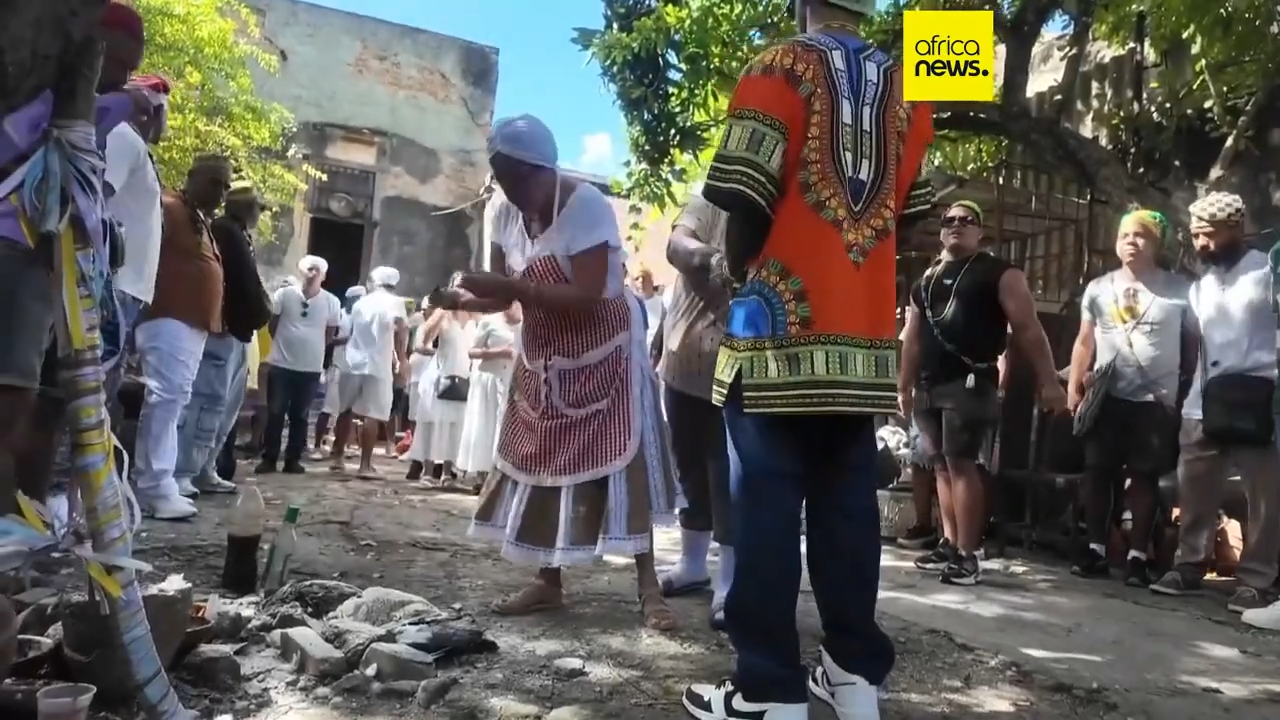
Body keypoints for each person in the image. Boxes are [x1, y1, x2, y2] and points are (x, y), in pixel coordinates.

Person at [678, 1, 940, 716]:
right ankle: (854, 676)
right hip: (861, 341)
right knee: (846, 510)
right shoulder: (912, 87)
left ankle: (768, 688)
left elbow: (743, 202)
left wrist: (739, 278)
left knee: (764, 508)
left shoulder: (779, 65)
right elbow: (912, 215)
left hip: (774, 327)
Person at [446, 114, 679, 631]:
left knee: (622, 466)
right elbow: (500, 296)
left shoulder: (586, 206)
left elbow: (587, 294)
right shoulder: (504, 212)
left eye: (520, 181)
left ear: (544, 170)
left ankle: (648, 587)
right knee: (546, 460)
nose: (513, 193)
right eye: (503, 181)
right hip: (547, 358)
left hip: (607, 355)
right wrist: (459, 299)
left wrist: (512, 289)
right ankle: (547, 581)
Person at [901, 202, 1064, 586]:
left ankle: (968, 554)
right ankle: (949, 542)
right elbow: (912, 337)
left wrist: (1049, 381)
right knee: (940, 465)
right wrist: (903, 385)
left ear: (980, 231)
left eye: (967, 220)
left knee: (962, 464)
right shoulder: (925, 280)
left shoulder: (999, 273)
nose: (957, 225)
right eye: (949, 221)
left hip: (970, 382)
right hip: (929, 384)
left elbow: (1028, 328)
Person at [1152, 192, 1280, 616]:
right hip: (1204, 402)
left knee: (1264, 495)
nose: (1201, 243)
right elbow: (1197, 345)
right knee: (1195, 489)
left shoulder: (1269, 271)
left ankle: (1257, 580)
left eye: (1209, 234)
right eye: (1195, 235)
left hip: (1259, 397)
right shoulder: (1201, 286)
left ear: (1236, 228)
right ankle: (1189, 565)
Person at [1066, 210, 1192, 586]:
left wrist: (1184, 392)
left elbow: (1192, 345)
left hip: (1156, 401)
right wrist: (1074, 385)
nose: (1131, 242)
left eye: (1141, 235)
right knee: (1097, 471)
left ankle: (1138, 556)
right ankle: (1096, 550)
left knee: (1144, 476)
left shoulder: (1180, 290)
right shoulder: (1098, 288)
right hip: (1107, 397)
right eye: (1125, 235)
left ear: (1157, 243)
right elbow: (1085, 340)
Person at [130, 155, 232, 520]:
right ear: (192, 176)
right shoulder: (168, 207)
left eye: (226, 186)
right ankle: (154, 487)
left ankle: (159, 483)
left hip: (189, 324)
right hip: (167, 317)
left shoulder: (196, 216)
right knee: (165, 399)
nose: (222, 192)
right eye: (216, 182)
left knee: (175, 400)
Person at [654, 194, 735, 631]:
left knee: (726, 475)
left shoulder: (772, 210)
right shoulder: (706, 203)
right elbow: (677, 247)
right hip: (682, 362)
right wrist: (715, 261)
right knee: (688, 467)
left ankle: (730, 580)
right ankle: (692, 564)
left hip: (736, 367)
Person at [173, 181, 271, 498]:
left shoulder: (237, 234)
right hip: (224, 331)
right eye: (256, 208)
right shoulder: (225, 231)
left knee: (225, 408)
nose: (259, 214)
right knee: (207, 403)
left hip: (239, 332)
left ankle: (206, 467)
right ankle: (185, 470)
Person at [256, 256, 342, 474]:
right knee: (275, 412)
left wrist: (313, 349)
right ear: (301, 272)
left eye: (317, 270)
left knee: (300, 415)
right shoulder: (284, 295)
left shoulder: (331, 301)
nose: (313, 274)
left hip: (310, 367)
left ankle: (292, 459)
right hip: (281, 363)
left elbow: (330, 332)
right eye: (309, 269)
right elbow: (273, 325)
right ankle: (269, 458)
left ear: (324, 276)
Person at [330, 267, 409, 478]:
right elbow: (401, 328)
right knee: (372, 414)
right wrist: (402, 358)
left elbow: (352, 331)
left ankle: (338, 457)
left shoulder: (361, 302)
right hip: (378, 363)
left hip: (353, 360)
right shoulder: (395, 302)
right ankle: (365, 465)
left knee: (345, 409)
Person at [405, 287, 475, 484]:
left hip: (462, 375)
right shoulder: (442, 314)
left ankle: (447, 472)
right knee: (434, 423)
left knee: (455, 425)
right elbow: (423, 342)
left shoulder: (472, 317)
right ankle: (427, 471)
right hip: (441, 375)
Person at [455, 304, 522, 481]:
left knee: (506, 427)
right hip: (490, 379)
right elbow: (472, 351)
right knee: (485, 426)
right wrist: (499, 352)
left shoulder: (526, 323)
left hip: (514, 380)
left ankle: (501, 473)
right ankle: (481, 473)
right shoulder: (489, 322)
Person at [313, 285, 366, 458]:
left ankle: (339, 446)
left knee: (347, 410)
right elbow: (327, 339)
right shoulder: (340, 316)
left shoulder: (362, 318)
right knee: (328, 408)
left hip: (353, 368)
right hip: (337, 366)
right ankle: (317, 446)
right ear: (351, 300)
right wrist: (348, 339)